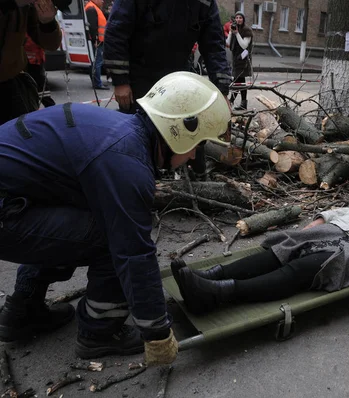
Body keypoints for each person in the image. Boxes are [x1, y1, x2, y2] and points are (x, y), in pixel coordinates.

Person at [0, 72, 231, 363]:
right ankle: (99, 332)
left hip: (15, 199)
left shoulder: (118, 128)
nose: (194, 155)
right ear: (180, 131)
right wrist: (157, 331)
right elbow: (133, 252)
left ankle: (22, 310)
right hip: (6, 210)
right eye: (196, 146)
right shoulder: (126, 162)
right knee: (112, 238)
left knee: (80, 220)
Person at [170, 190, 349, 314]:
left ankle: (217, 294)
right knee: (283, 249)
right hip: (343, 228)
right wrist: (326, 216)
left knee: (302, 269)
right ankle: (208, 276)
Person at [104, 0, 231, 114]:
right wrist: (121, 82)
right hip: (139, 79)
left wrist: (222, 92)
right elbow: (116, 32)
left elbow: (214, 47)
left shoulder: (205, 2)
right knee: (137, 132)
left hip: (178, 80)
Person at [0, 0, 62, 124]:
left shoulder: (25, 8)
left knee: (19, 138)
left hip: (11, 85)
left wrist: (47, 22)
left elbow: (50, 43)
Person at [226, 11, 253, 111]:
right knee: (240, 81)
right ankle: (242, 103)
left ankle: (231, 101)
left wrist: (237, 33)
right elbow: (228, 43)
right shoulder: (234, 28)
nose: (238, 19)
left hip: (244, 58)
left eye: (240, 18)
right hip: (236, 58)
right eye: (237, 18)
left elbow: (244, 45)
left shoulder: (247, 31)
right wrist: (230, 32)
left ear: (243, 19)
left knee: (237, 80)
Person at [24, 33, 56, 107]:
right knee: (38, 86)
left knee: (40, 86)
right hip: (33, 59)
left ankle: (50, 107)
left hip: (33, 60)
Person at [85, 0, 109, 89]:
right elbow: (92, 27)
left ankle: (97, 82)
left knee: (96, 62)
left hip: (98, 40)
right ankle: (97, 83)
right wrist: (95, 40)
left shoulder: (94, 8)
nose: (103, 1)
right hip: (97, 41)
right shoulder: (91, 8)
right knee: (97, 63)